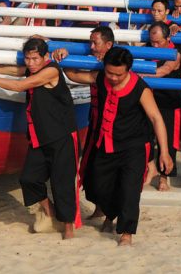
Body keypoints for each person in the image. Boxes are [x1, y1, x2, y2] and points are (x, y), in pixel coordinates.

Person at [0, 38, 80, 240]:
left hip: (61, 135)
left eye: (35, 58)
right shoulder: (31, 69)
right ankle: (50, 211)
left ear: (45, 57)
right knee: (28, 178)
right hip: (39, 136)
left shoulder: (51, 70)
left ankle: (68, 227)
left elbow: (19, 86)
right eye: (27, 58)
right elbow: (8, 70)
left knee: (62, 182)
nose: (30, 63)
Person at [86, 47, 173, 245]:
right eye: (109, 72)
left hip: (134, 146)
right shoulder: (100, 77)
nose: (114, 78)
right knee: (101, 187)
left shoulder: (140, 88)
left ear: (128, 70)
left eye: (119, 74)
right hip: (106, 144)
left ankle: (126, 232)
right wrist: (61, 54)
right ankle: (110, 214)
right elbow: (74, 74)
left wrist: (164, 152)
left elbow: (156, 118)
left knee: (130, 190)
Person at [52, 26, 114, 220]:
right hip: (95, 122)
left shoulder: (117, 64)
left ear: (109, 45)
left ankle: (111, 213)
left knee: (110, 170)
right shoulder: (94, 62)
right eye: (90, 42)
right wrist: (66, 55)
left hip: (115, 125)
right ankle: (99, 208)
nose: (91, 46)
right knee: (90, 165)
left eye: (95, 42)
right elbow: (76, 76)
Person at [145, 22, 181, 192]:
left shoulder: (175, 53)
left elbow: (163, 71)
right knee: (143, 135)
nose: (155, 46)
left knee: (167, 141)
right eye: (152, 42)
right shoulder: (145, 49)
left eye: (158, 42)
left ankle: (163, 177)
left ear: (168, 39)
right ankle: (150, 168)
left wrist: (138, 74)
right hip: (148, 100)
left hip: (169, 101)